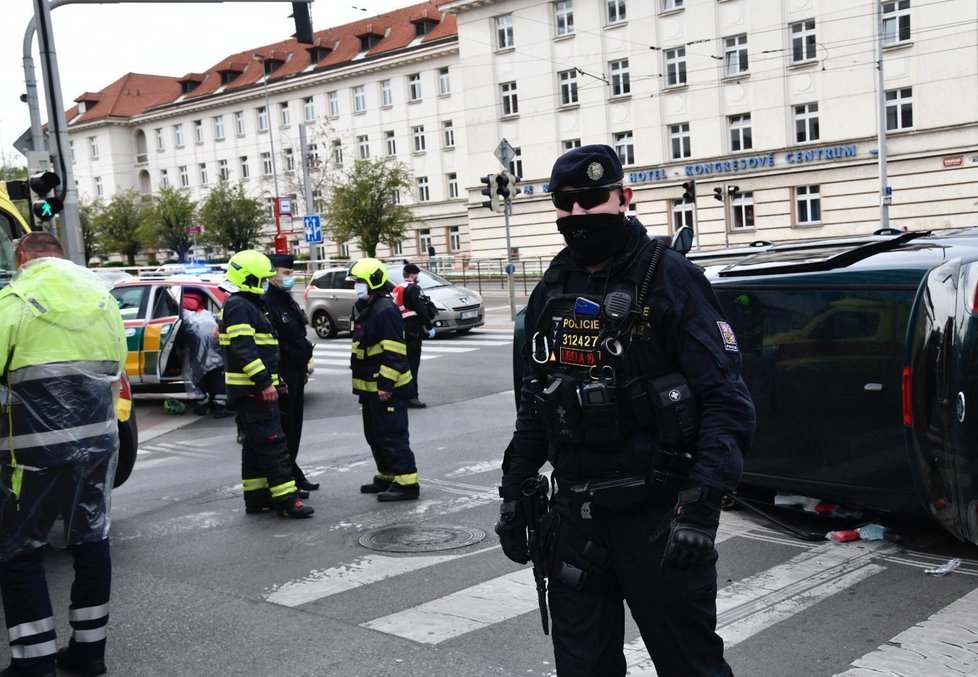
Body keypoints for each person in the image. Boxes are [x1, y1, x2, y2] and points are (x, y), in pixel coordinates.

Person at [495, 145, 755, 676]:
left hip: (657, 519)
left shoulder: (670, 278)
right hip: (576, 520)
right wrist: (512, 492)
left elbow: (726, 400)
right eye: (565, 204)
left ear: (624, 196)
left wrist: (701, 509)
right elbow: (535, 402)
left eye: (592, 200)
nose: (579, 216)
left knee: (691, 668)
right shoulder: (554, 286)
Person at [0, 232, 127, 677]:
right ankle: (90, 654)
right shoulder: (102, 300)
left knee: (19, 549)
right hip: (96, 449)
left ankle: (34, 664)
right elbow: (117, 369)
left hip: (31, 454)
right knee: (91, 540)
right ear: (62, 256)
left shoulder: (14, 298)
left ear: (22, 258)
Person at [218, 250, 313, 519]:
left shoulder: (247, 304)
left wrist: (276, 381)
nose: (266, 283)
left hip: (251, 389)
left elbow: (266, 352)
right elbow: (244, 349)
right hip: (252, 391)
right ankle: (287, 500)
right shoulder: (240, 306)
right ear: (249, 278)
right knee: (273, 443)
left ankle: (257, 497)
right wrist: (264, 383)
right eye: (263, 278)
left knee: (254, 446)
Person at [348, 258, 421, 501]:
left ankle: (407, 482)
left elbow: (395, 352)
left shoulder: (385, 310)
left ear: (372, 282)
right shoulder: (367, 307)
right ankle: (387, 474)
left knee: (392, 434)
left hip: (386, 387)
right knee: (376, 434)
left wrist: (386, 385)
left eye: (360, 281)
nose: (356, 286)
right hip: (370, 387)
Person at [263, 254, 318, 492]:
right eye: (286, 273)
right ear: (272, 274)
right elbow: (274, 343)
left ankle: (293, 472)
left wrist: (304, 366)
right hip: (283, 374)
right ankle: (287, 477)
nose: (290, 278)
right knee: (285, 430)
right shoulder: (267, 302)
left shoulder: (287, 299)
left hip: (296, 372)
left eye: (290, 273)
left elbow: (300, 334)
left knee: (294, 428)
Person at [177, 290, 228, 418]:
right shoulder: (205, 313)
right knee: (217, 374)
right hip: (215, 348)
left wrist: (181, 351)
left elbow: (180, 336)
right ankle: (220, 406)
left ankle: (202, 404)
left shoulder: (183, 314)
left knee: (196, 374)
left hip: (195, 350)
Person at [391, 263, 435, 408]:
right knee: (413, 365)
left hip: (400, 329)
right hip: (412, 330)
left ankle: (402, 394)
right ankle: (412, 396)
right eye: (417, 274)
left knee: (403, 364)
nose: (418, 277)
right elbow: (421, 309)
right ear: (413, 274)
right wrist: (429, 326)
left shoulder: (397, 288)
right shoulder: (414, 288)